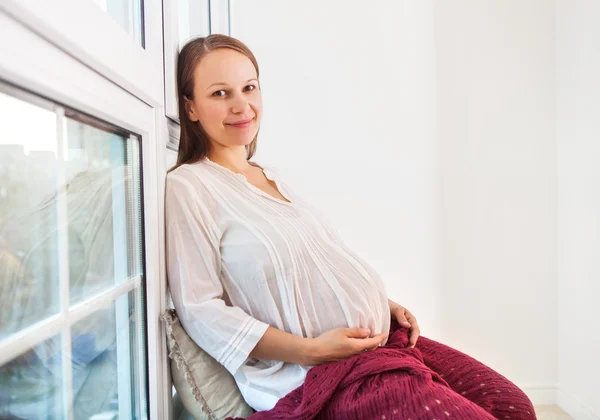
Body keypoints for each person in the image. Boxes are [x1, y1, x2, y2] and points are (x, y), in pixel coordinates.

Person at [165, 34, 536, 419]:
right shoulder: (189, 186)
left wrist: (382, 304)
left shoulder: (271, 176)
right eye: (221, 94)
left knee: (512, 405)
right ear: (190, 107)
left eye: (249, 88)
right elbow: (200, 310)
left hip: (379, 346)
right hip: (318, 375)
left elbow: (310, 264)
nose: (242, 106)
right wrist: (311, 350)